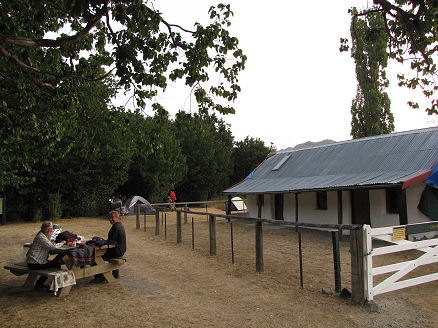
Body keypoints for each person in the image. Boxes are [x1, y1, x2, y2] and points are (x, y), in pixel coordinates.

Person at [26, 221, 66, 288]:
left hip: (36, 262)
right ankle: (46, 284)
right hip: (34, 263)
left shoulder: (44, 235)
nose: (50, 231)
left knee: (55, 263)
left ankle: (41, 283)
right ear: (43, 228)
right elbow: (52, 247)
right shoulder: (41, 237)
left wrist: (52, 243)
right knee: (56, 264)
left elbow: (49, 245)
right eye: (48, 229)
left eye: (51, 229)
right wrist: (62, 243)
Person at [90, 210, 126, 283]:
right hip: (121, 250)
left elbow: (112, 242)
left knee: (95, 256)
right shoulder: (119, 225)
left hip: (117, 251)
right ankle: (115, 274)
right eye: (109, 218)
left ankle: (100, 276)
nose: (110, 219)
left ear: (117, 217)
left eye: (112, 218)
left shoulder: (116, 228)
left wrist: (102, 242)